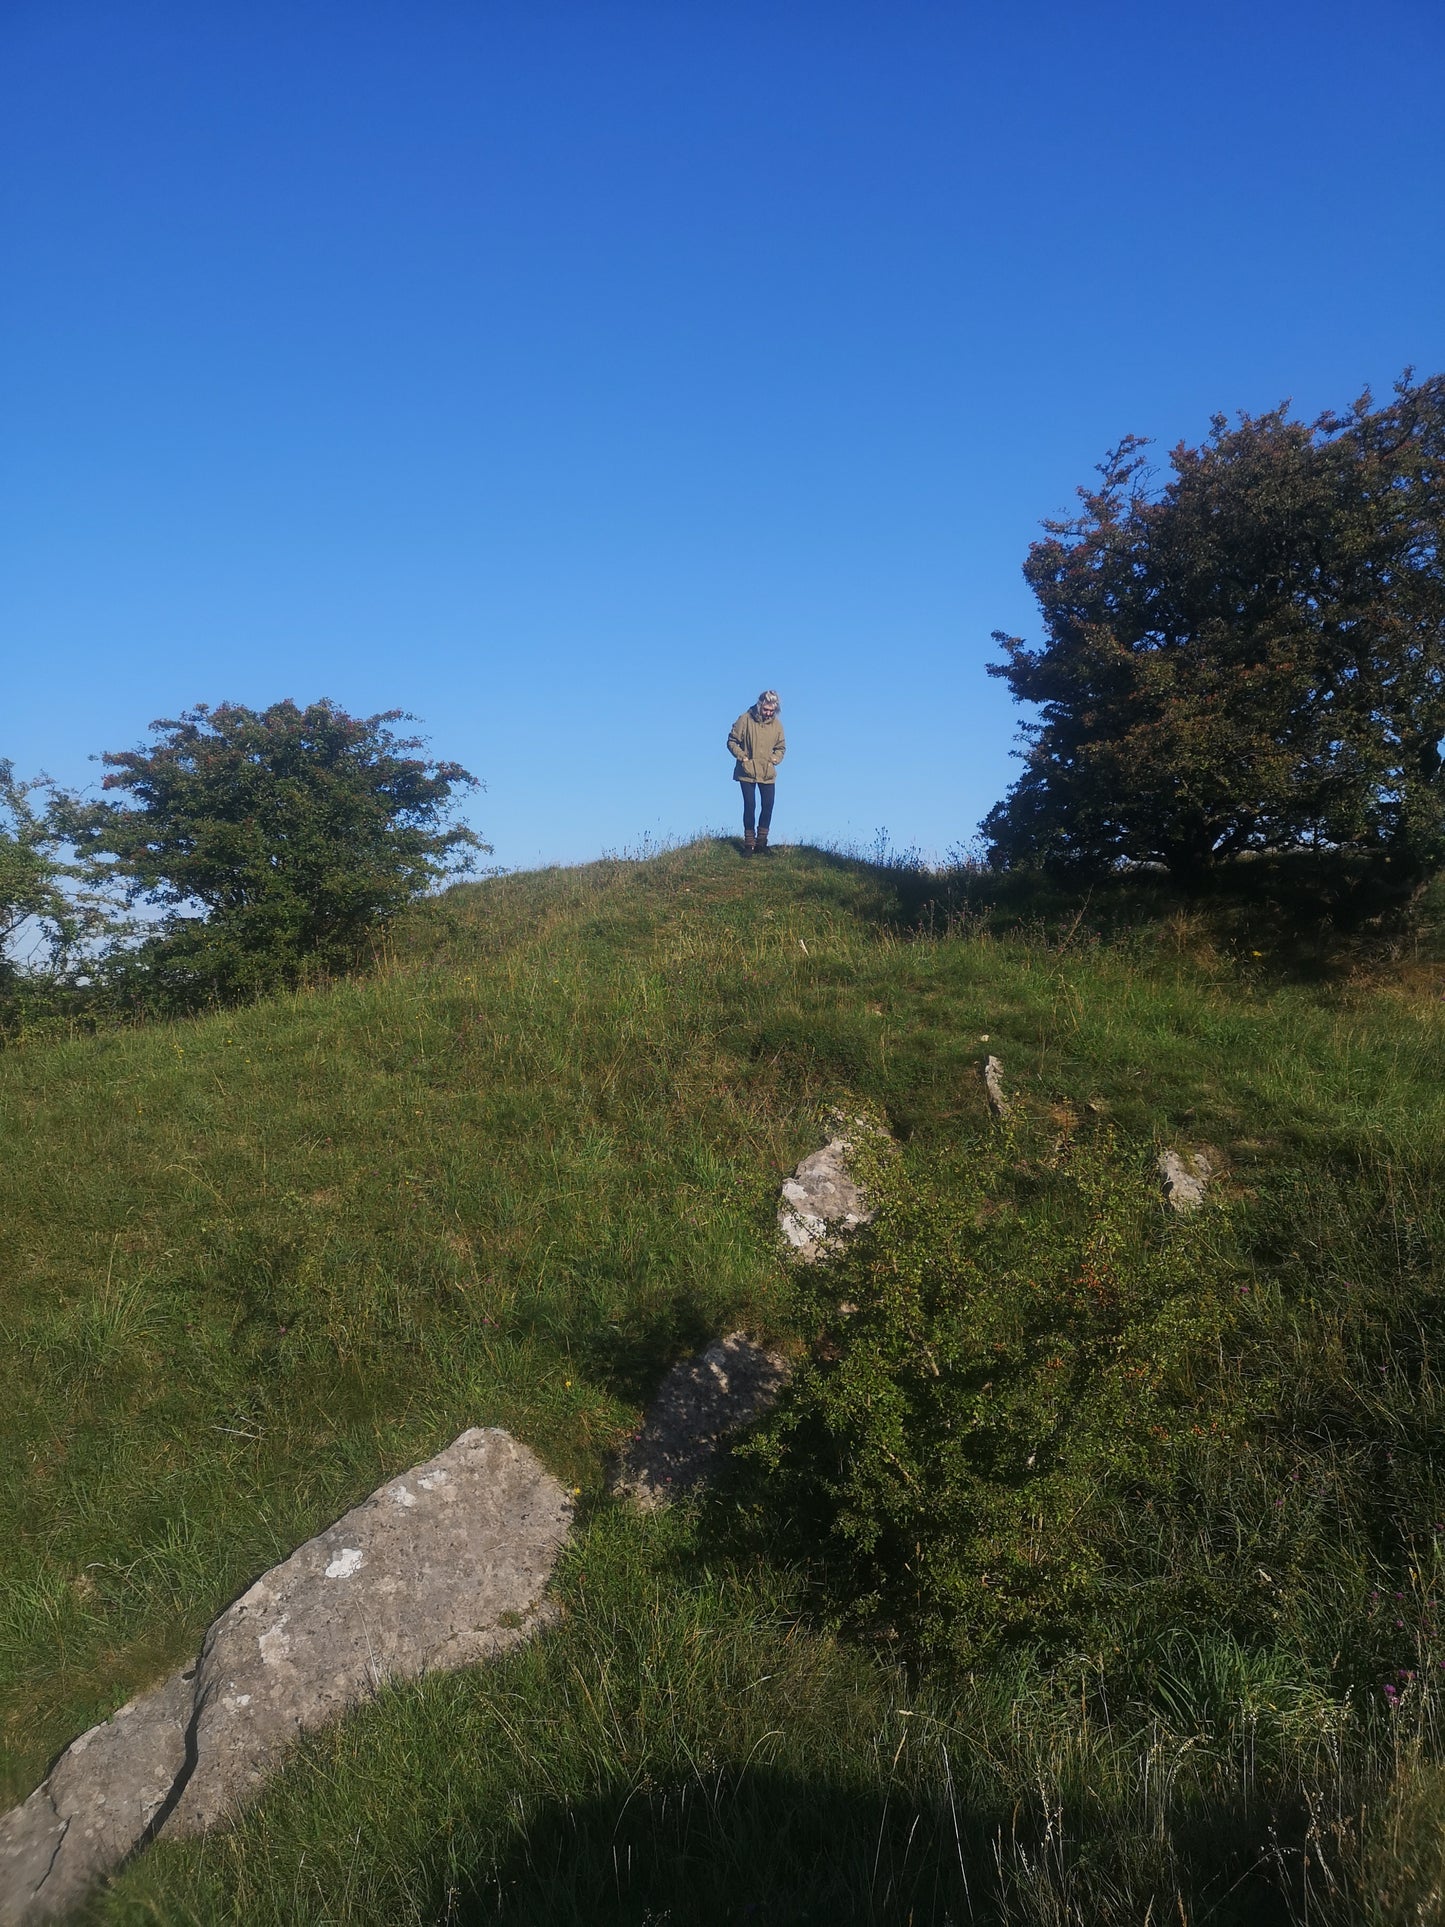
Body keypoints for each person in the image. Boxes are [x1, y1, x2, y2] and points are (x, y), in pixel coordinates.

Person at [727, 689, 785, 855]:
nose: (768, 713)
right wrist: (742, 757)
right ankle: (749, 844)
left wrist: (775, 759)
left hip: (767, 772)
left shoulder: (777, 725)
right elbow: (732, 741)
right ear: (760, 705)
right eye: (766, 709)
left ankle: (762, 843)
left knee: (768, 805)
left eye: (771, 711)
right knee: (750, 806)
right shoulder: (745, 719)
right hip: (746, 771)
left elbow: (781, 747)